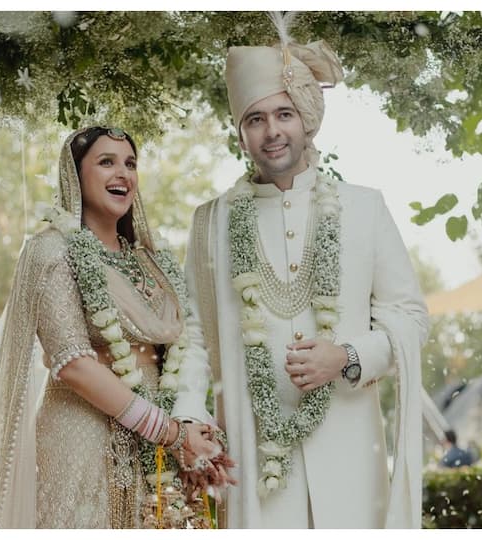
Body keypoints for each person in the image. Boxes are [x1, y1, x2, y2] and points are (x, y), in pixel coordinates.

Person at [172, 18, 430, 529]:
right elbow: (192, 336)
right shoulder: (212, 221)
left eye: (283, 114)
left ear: (305, 119)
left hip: (350, 448)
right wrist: (187, 416)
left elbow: (410, 316)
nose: (272, 132)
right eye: (256, 119)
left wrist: (348, 356)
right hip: (253, 452)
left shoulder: (363, 207)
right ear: (240, 132)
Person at [0, 126, 232, 528]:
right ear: (75, 176)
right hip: (82, 432)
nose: (123, 174)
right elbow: (73, 362)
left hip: (157, 440)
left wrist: (188, 431)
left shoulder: (151, 261)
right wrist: (169, 432)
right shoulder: (53, 250)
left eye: (130, 164)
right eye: (106, 162)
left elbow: (179, 353)